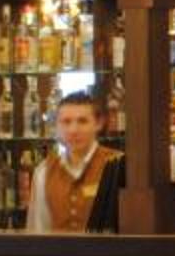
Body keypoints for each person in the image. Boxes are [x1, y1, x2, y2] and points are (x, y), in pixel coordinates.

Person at [25, 89, 124, 234]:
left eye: (82, 121)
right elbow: (38, 231)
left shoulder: (118, 165)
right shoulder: (44, 171)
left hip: (108, 249)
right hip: (58, 249)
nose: (73, 130)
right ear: (57, 126)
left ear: (98, 124)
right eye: (66, 122)